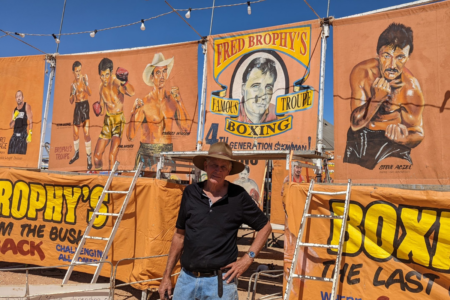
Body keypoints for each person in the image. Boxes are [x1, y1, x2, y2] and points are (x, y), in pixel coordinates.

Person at [159, 142, 272, 299]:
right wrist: (166, 276)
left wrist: (247, 259)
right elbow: (179, 236)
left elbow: (265, 227)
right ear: (205, 166)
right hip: (186, 280)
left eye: (223, 167)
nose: (217, 170)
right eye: (214, 165)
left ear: (229, 170)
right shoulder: (191, 193)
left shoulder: (238, 196)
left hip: (221, 282)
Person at [345, 23, 425, 170]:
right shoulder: (362, 73)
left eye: (400, 57)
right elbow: (355, 124)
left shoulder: (411, 88)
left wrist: (404, 138)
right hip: (360, 137)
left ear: (408, 57)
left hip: (392, 144)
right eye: (386, 56)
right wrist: (376, 99)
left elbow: (418, 132)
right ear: (378, 54)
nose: (392, 65)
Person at [126, 53, 190, 170]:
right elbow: (130, 136)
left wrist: (180, 102)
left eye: (164, 71)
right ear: (152, 77)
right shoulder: (144, 103)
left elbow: (186, 129)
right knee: (144, 188)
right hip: (148, 154)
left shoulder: (173, 101)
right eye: (158, 73)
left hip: (167, 154)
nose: (162, 76)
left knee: (167, 187)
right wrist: (133, 112)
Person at [93, 58, 135, 170]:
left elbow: (132, 92)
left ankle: (112, 182)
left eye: (106, 75)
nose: (104, 78)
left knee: (112, 156)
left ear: (111, 73)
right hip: (108, 120)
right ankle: (99, 181)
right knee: (97, 156)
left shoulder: (116, 82)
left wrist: (125, 81)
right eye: (102, 76)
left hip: (118, 120)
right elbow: (101, 109)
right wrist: (98, 109)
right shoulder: (101, 87)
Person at [236, 57, 278, 124]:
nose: (263, 96)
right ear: (243, 89)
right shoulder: (231, 115)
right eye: (256, 86)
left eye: (268, 88)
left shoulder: (277, 114)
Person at [69, 61, 92, 170]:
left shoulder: (84, 78)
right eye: (76, 71)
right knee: (75, 133)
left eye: (79, 70)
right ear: (73, 72)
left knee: (86, 133)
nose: (78, 73)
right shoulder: (72, 83)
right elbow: (70, 101)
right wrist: (73, 92)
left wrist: (86, 84)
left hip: (85, 106)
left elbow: (90, 93)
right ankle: (77, 153)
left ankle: (89, 157)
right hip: (77, 106)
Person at [8, 90, 33, 155]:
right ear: (15, 99)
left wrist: (30, 134)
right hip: (15, 136)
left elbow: (30, 120)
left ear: (23, 97)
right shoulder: (14, 110)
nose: (18, 98)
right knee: (10, 155)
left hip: (23, 136)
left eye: (19, 96)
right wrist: (14, 118)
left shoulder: (26, 106)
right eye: (17, 97)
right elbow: (11, 126)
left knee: (20, 156)